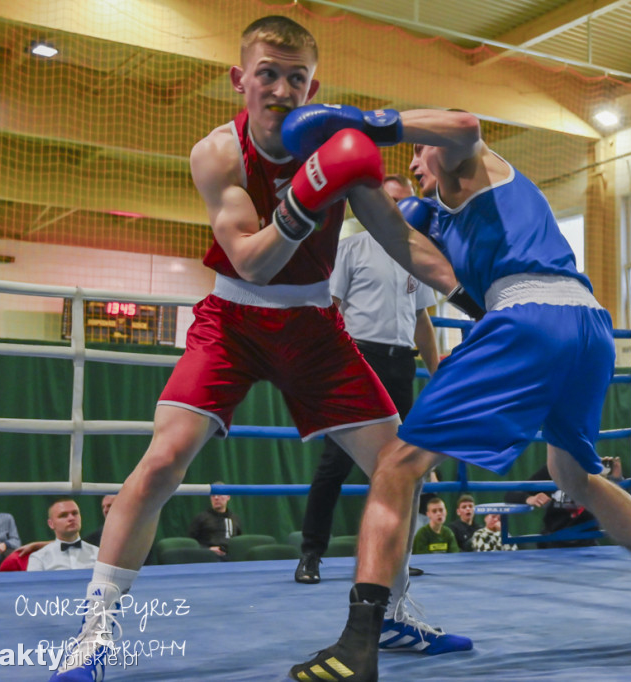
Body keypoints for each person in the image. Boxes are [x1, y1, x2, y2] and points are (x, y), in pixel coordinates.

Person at [48, 17, 470, 682]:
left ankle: (391, 612)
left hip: (314, 328)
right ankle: (96, 627)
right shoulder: (217, 152)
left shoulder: (341, 144)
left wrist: (469, 296)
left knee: (399, 464)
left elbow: (395, 233)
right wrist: (308, 191)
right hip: (233, 321)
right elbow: (251, 259)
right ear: (240, 78)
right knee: (163, 460)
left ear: (314, 86)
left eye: (295, 77)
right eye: (267, 73)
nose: (280, 89)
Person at [290, 107, 631, 682]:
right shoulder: (434, 218)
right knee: (573, 476)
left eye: (416, 153)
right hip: (589, 326)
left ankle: (358, 643)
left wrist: (369, 124)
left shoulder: (468, 161)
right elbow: (399, 238)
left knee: (397, 464)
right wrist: (337, 169)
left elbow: (464, 125)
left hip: (530, 317)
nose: (414, 163)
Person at [295, 173, 440, 584]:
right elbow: (331, 308)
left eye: (406, 202)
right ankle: (311, 554)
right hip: (358, 359)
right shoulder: (350, 249)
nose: (400, 209)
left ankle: (396, 554)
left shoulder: (415, 255)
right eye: (392, 200)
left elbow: (421, 320)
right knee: (335, 463)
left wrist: (438, 372)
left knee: (405, 463)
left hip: (400, 364)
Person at [504, 457, 623, 549]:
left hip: (587, 542)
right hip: (554, 542)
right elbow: (511, 494)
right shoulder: (551, 470)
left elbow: (619, 506)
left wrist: (616, 480)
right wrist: (529, 498)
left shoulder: (596, 470)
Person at [28, 499, 99, 572]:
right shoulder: (39, 558)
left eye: (75, 513)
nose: (71, 518)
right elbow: (33, 583)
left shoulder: (99, 554)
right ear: (51, 524)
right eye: (63, 515)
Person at [187, 487, 243, 558]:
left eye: (219, 495)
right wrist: (208, 549)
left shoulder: (235, 519)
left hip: (231, 559)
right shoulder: (201, 518)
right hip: (208, 558)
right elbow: (191, 543)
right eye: (213, 495)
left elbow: (238, 541)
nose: (216, 498)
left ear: (228, 497)